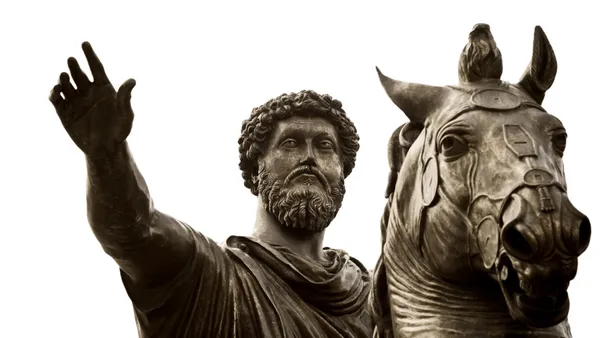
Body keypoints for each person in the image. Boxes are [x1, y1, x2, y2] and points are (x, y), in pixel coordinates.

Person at [49, 42, 373, 338]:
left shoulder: (376, 296)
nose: (309, 158)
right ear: (255, 168)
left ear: (343, 171)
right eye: (290, 143)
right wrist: (106, 155)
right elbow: (136, 232)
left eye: (325, 146)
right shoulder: (207, 276)